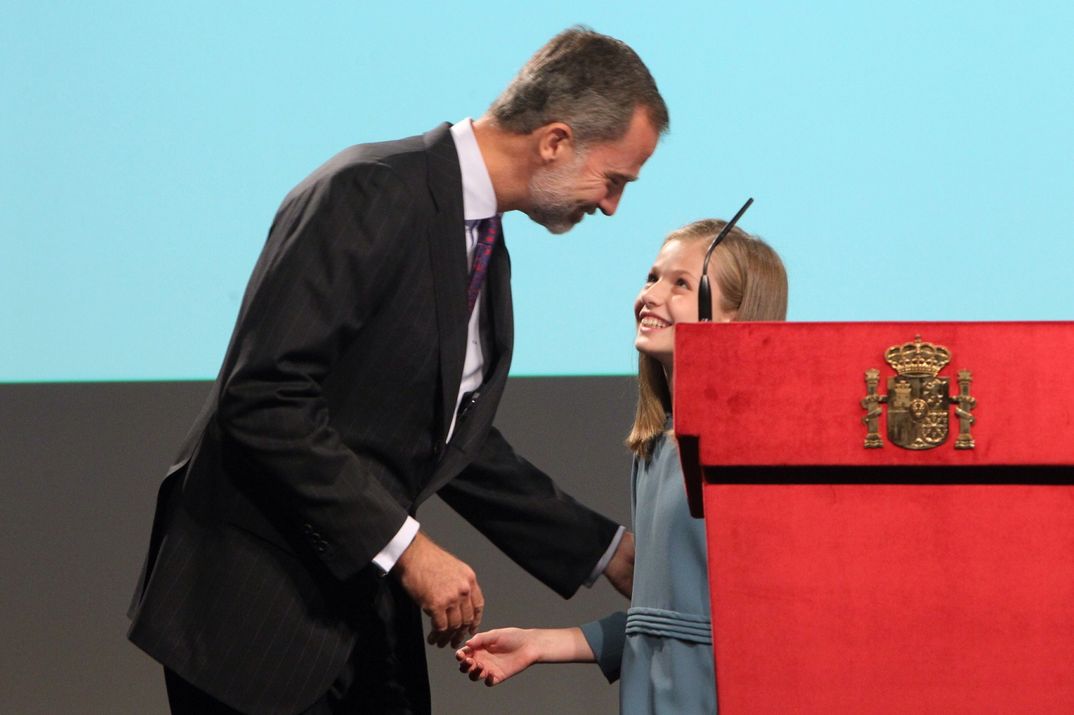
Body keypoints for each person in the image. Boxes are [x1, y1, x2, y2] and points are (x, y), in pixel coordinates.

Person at [126, 27, 669, 715]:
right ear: (556, 140)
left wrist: (606, 551)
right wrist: (409, 547)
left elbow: (449, 438)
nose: (612, 204)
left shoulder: (483, 241)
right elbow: (264, 397)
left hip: (353, 601)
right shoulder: (371, 191)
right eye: (614, 179)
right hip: (255, 607)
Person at [455, 219, 788, 714]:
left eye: (680, 283)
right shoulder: (655, 450)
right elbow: (660, 619)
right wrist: (541, 643)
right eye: (652, 277)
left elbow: (749, 624)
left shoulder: (754, 450)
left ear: (736, 319)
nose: (651, 295)